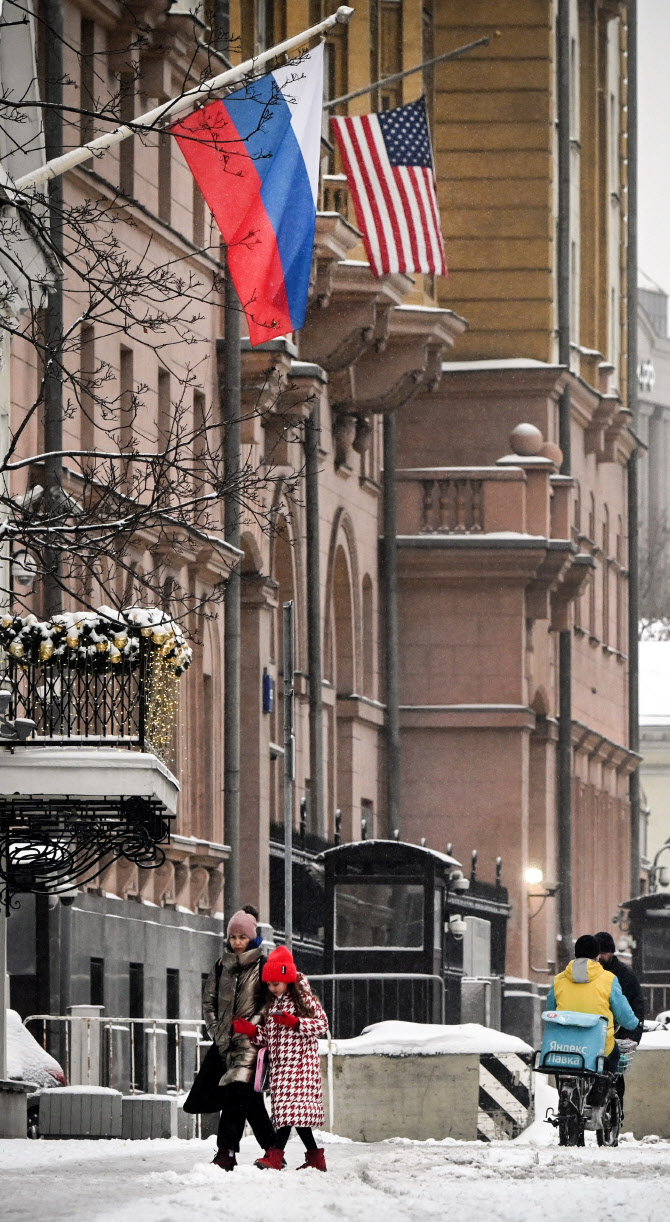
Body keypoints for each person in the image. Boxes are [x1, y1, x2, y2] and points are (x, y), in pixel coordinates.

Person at [183, 904, 277, 1171]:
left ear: (252, 938)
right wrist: (216, 1031)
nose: (237, 942)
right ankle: (273, 1148)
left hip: (250, 1044)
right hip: (224, 1044)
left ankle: (226, 1152)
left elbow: (268, 1003)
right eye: (234, 937)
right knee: (248, 1099)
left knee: (235, 1096)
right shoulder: (220, 966)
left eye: (242, 937)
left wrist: (250, 1027)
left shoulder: (262, 966)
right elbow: (208, 1001)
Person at [233, 945, 329, 1171]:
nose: (272, 988)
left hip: (300, 1067)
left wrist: (296, 1023)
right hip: (281, 1067)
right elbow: (269, 1036)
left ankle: (275, 1156)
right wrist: (251, 1031)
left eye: (275, 983)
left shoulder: (304, 1000)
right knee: (294, 1115)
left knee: (288, 1114)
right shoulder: (274, 1004)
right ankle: (315, 1159)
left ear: (288, 979)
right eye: (269, 984)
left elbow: (322, 1024)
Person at [546, 934, 642, 1107]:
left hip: (565, 1046)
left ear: (576, 955)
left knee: (562, 1067)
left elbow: (551, 1009)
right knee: (613, 1057)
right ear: (597, 956)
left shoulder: (559, 980)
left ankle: (566, 1095)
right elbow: (624, 1015)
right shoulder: (608, 979)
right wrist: (634, 1024)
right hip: (597, 1047)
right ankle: (600, 1088)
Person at [594, 930, 645, 1117]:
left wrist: (634, 1031)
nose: (600, 957)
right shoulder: (614, 974)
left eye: (604, 953)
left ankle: (615, 1113)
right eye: (598, 952)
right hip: (601, 1030)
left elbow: (635, 1004)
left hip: (617, 1032)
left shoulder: (623, 975)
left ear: (611, 953)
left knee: (614, 1076)